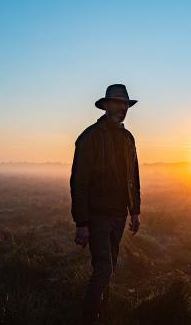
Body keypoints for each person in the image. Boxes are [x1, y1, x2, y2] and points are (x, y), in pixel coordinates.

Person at [70, 83, 141, 324]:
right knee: (104, 269)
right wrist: (82, 223)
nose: (122, 107)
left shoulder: (128, 138)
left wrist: (135, 212)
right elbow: (78, 182)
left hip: (120, 215)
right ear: (106, 105)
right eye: (117, 103)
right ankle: (88, 318)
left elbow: (134, 176)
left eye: (125, 104)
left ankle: (104, 313)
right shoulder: (90, 137)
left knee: (109, 265)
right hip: (97, 215)